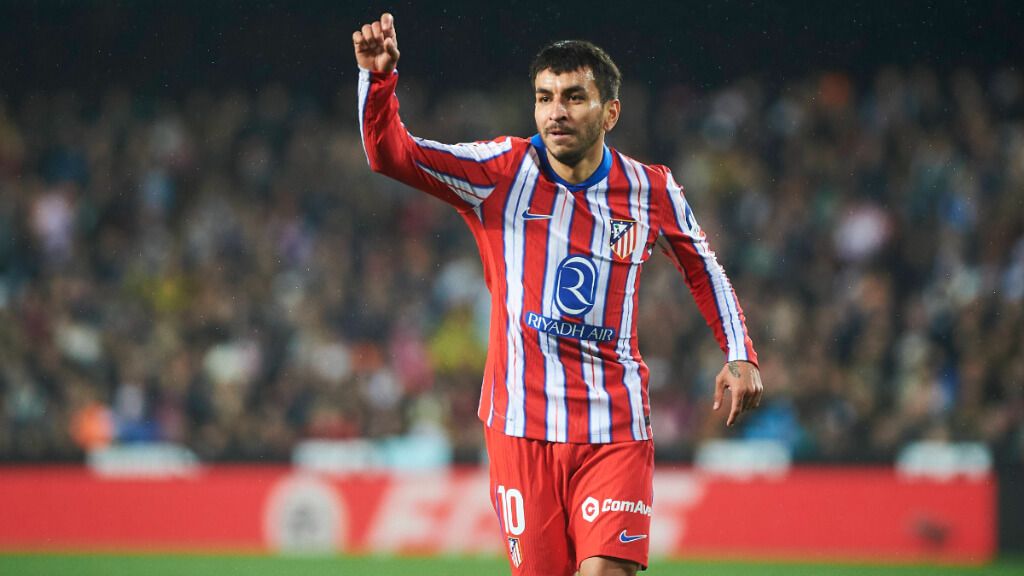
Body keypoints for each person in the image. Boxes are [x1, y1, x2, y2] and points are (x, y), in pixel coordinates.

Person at [353, 13, 763, 576]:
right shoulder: (501, 171)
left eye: (574, 97)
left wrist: (739, 353)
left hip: (614, 426)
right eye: (545, 98)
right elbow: (392, 154)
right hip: (521, 429)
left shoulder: (651, 189)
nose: (556, 112)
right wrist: (379, 83)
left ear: (610, 112)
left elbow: (704, 267)